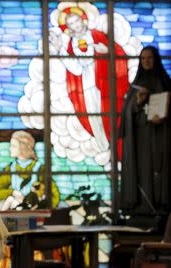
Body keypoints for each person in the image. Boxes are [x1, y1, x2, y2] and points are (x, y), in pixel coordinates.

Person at [49, 4, 129, 159]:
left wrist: (106, 52)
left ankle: (116, 147)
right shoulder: (71, 45)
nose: (75, 25)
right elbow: (76, 69)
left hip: (104, 82)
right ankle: (105, 147)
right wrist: (60, 50)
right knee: (93, 116)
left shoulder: (97, 35)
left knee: (108, 112)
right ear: (68, 27)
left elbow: (119, 53)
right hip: (85, 86)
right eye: (71, 23)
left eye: (77, 20)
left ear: (83, 20)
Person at [119, 46, 171, 229]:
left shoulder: (165, 83)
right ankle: (141, 208)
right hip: (139, 141)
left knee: (160, 172)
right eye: (143, 59)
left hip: (161, 139)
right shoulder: (136, 85)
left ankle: (161, 208)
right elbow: (127, 114)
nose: (146, 62)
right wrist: (138, 103)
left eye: (150, 58)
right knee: (142, 172)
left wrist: (164, 116)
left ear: (156, 60)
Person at [0, 130, 59, 210]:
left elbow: (54, 196)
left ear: (23, 147)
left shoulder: (39, 168)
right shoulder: (10, 169)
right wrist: (12, 192)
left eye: (13, 146)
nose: (10, 148)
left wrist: (39, 206)